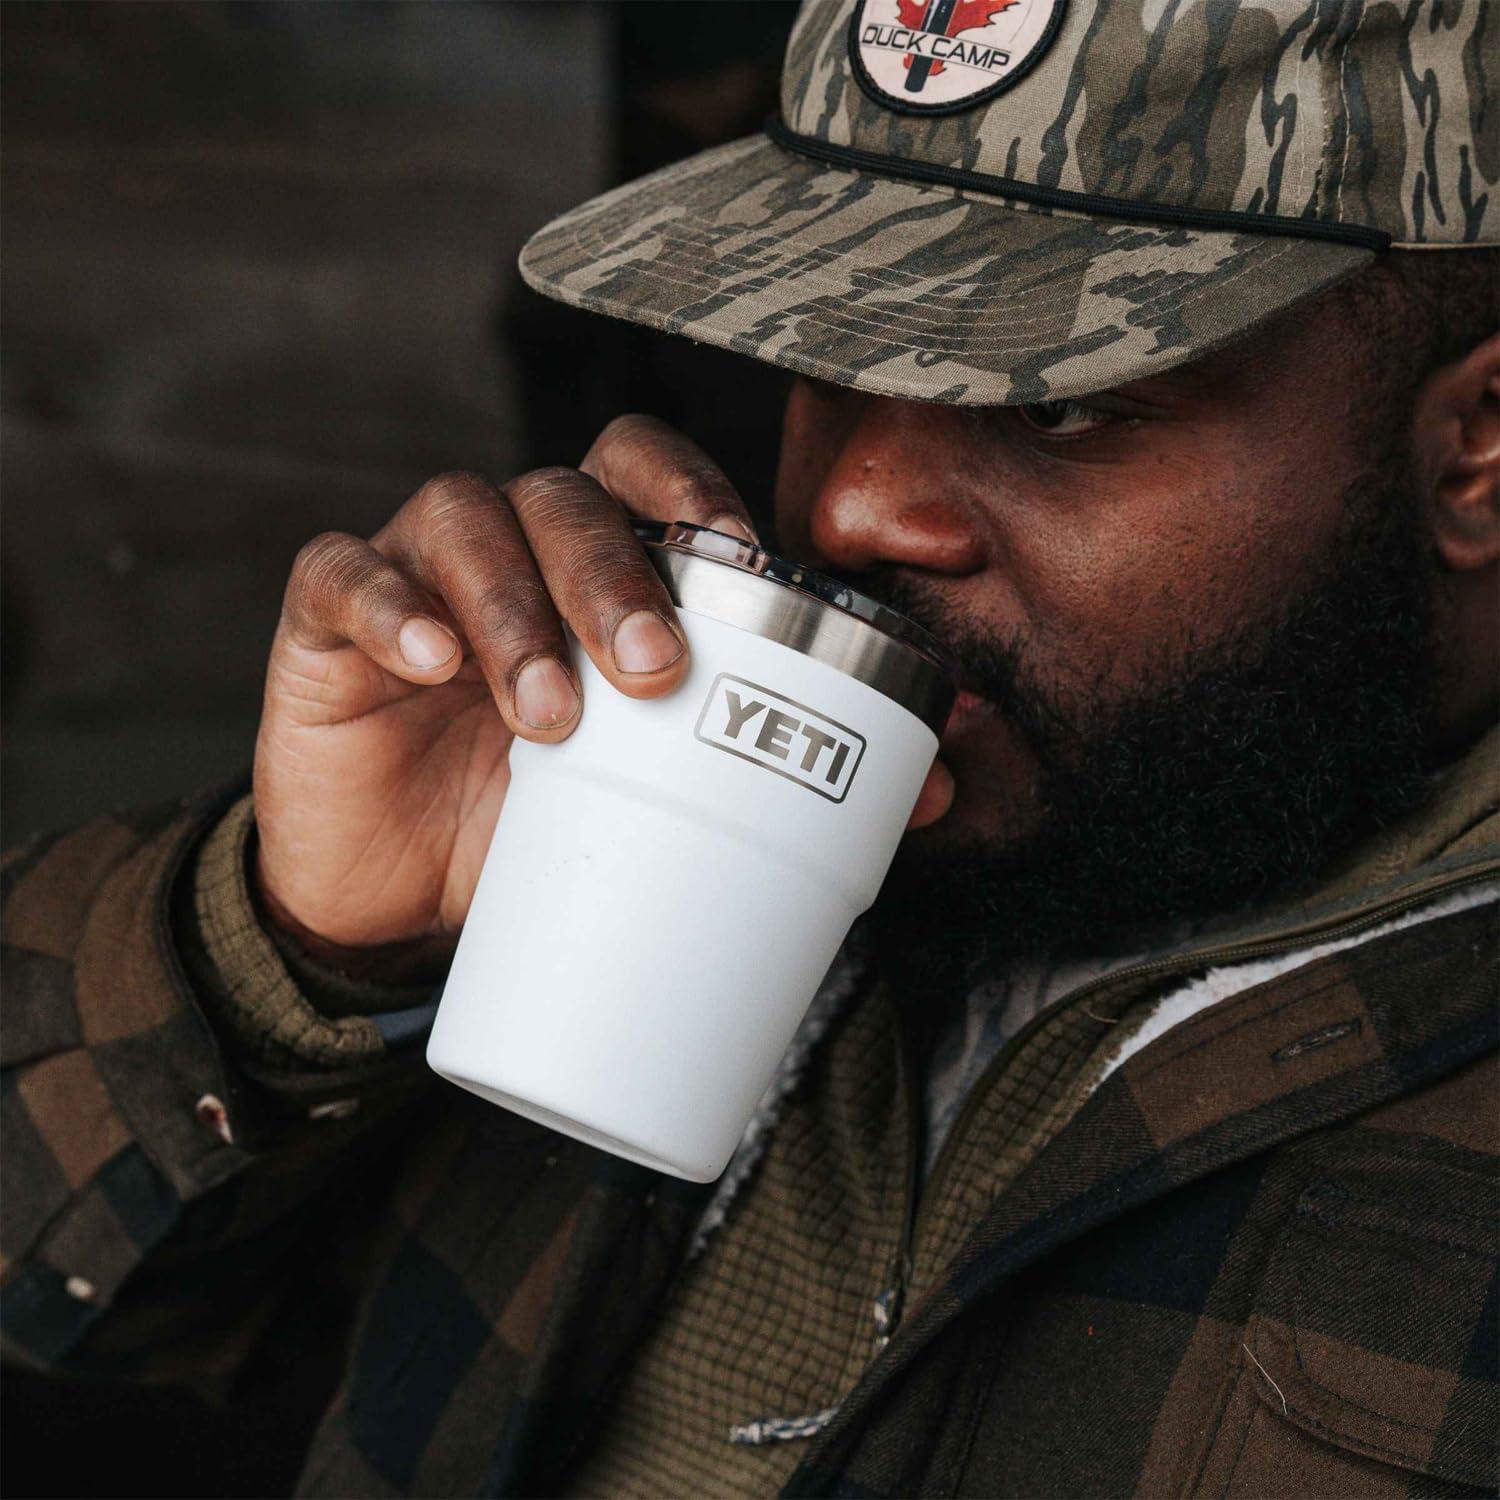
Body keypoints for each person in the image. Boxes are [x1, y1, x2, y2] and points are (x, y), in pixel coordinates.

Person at [4, 1, 1497, 1495]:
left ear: (1478, 450)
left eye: (1056, 406)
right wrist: (302, 951)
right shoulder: (632, 830)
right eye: (825, 355)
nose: (851, 509)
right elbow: (96, 1331)